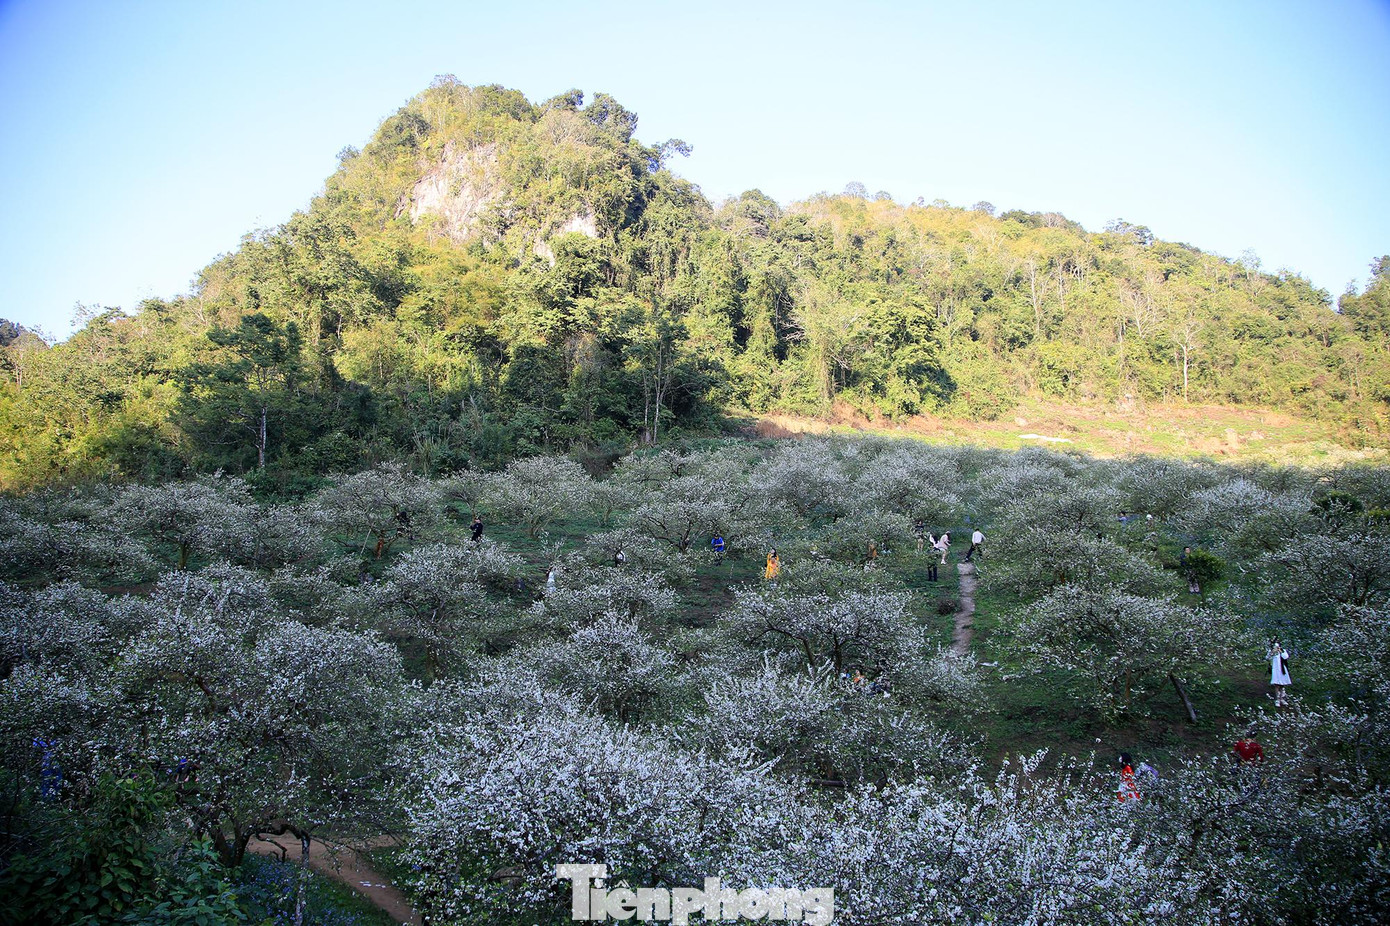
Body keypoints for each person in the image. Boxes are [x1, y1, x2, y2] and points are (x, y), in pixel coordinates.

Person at [1269, 639, 1292, 707]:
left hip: (1282, 669)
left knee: (1282, 684)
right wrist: (1272, 653)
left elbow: (1285, 657)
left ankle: (1282, 698)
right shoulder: (1272, 651)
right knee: (1277, 684)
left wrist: (1280, 651)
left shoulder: (1282, 650)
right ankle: (1277, 699)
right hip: (1275, 669)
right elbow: (1267, 657)